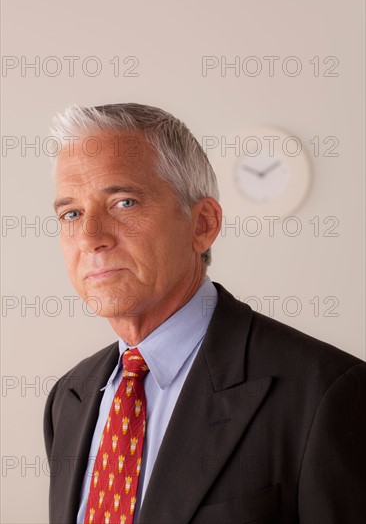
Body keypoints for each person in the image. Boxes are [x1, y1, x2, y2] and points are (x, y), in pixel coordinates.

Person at [44, 103, 365, 524]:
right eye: (71, 213)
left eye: (123, 202)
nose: (91, 237)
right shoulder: (69, 398)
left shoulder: (327, 394)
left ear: (203, 224)